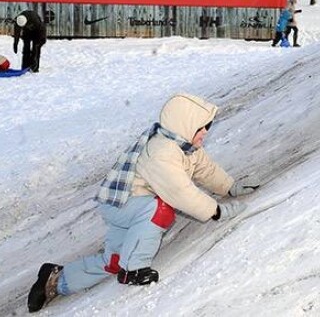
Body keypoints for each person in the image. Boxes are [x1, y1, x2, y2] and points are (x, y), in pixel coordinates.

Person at [27, 93, 259, 313]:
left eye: (209, 126)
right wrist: (217, 211)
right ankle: (133, 270)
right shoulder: (161, 152)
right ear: (186, 125)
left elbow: (205, 170)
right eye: (203, 127)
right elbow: (181, 192)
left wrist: (230, 186)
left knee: (114, 261)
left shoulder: (185, 146)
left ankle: (56, 280)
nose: (206, 132)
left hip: (129, 205)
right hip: (124, 204)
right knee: (161, 209)